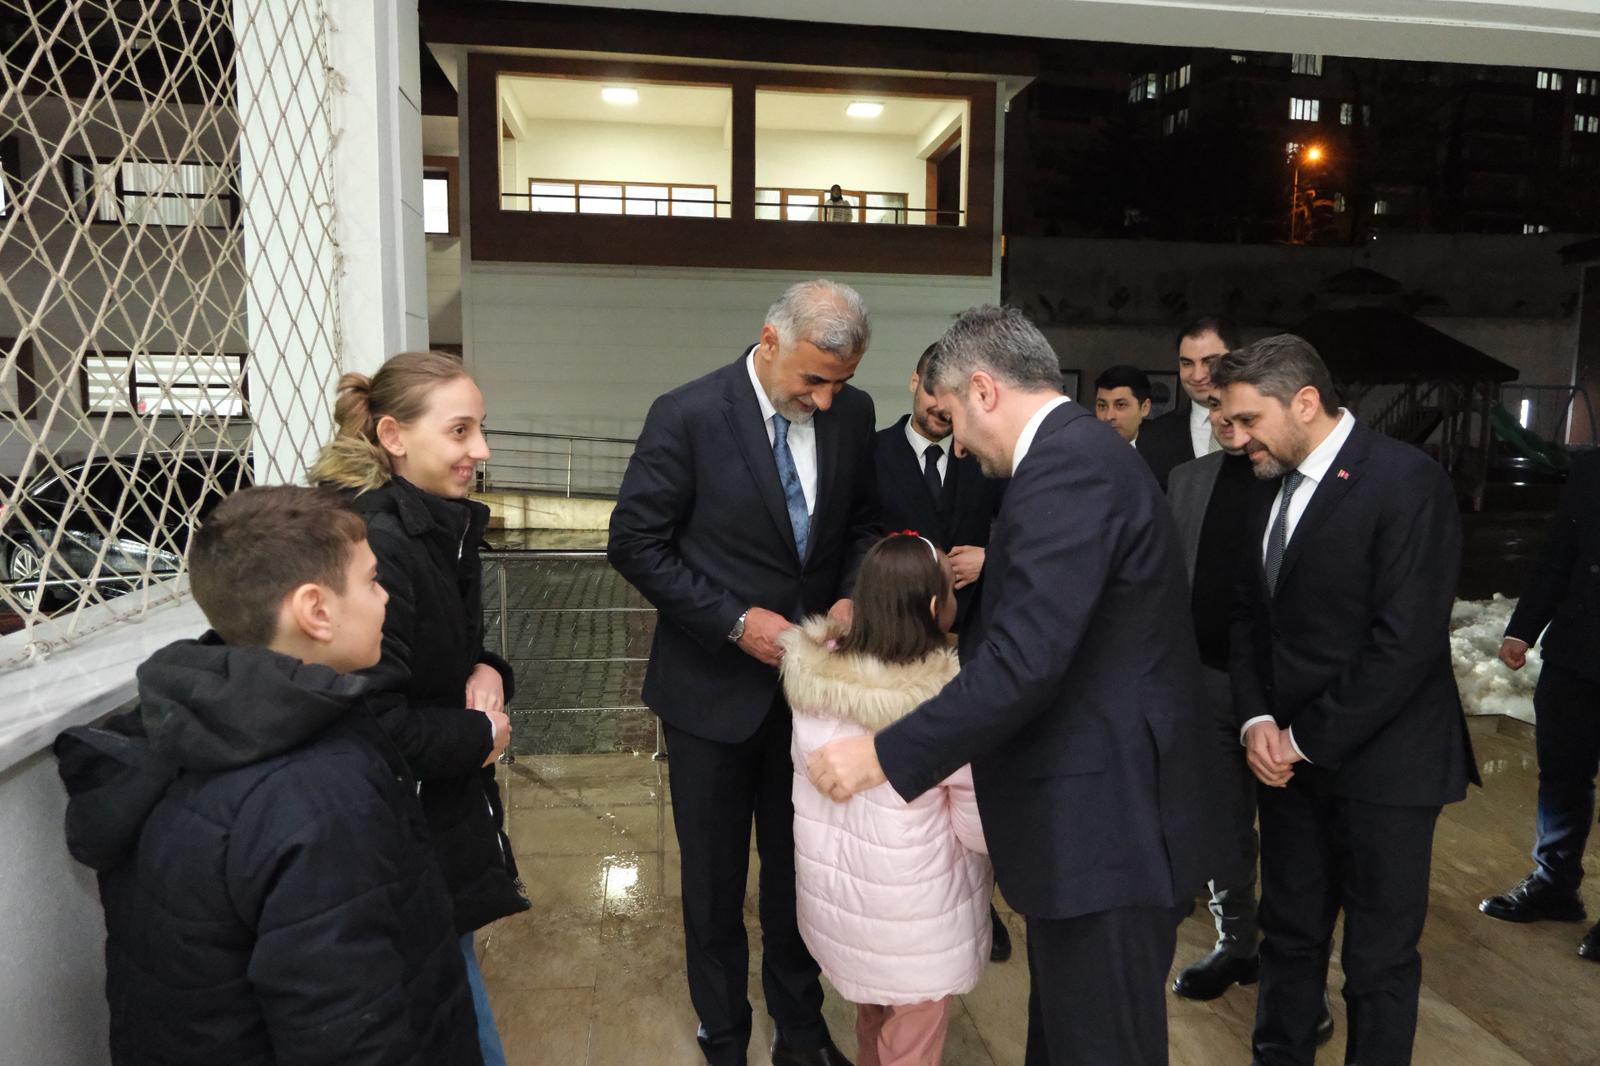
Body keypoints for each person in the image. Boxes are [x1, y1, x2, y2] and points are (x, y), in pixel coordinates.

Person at [807, 305, 1226, 1066]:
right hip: (1092, 829)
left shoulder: (1067, 466)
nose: (961, 445)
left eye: (955, 418)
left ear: (983, 390)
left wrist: (882, 756)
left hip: (1110, 832)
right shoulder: (1077, 456)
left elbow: (1024, 659)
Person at [55, 486, 481, 1065]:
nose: (385, 597)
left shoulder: (190, 727)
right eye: (373, 581)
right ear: (316, 611)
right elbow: (349, 1033)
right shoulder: (320, 797)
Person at [608, 279, 878, 1066]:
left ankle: (800, 1030)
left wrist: (851, 593)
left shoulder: (854, 415)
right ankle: (723, 1031)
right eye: (813, 380)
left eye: (841, 384)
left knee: (802, 877)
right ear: (769, 341)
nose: (825, 401)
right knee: (714, 882)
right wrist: (732, 621)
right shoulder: (687, 414)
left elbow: (863, 523)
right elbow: (635, 542)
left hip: (811, 696)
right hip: (709, 696)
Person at [1214, 334, 1478, 1066]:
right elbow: (1247, 618)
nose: (1237, 437)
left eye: (1248, 419)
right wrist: (1257, 721)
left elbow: (1404, 644)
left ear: (1305, 402)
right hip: (1285, 766)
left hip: (1386, 770)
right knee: (1288, 939)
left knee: (1377, 960)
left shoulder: (1407, 482)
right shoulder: (1265, 480)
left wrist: (1300, 740)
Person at [310, 351, 524, 1066]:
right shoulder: (380, 543)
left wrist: (488, 669)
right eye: (460, 431)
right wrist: (478, 734)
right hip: (396, 830)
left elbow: (443, 651)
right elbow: (370, 717)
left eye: (480, 429)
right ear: (393, 436)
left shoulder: (434, 526)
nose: (481, 451)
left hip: (427, 821)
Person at [782, 533, 993, 1066]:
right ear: (934, 606)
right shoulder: (948, 706)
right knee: (913, 1038)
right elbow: (976, 829)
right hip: (917, 923)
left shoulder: (815, 683)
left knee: (871, 1013)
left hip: (842, 910)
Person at [1164, 399, 1335, 1045]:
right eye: (1212, 404)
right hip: (1206, 682)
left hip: (1290, 694)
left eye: (1233, 402)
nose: (1224, 417)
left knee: (1301, 845)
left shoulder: (1302, 476)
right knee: (1222, 827)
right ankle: (1236, 943)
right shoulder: (1187, 480)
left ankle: (1303, 985)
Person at [873, 343, 1011, 962]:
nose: (938, 407)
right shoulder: (873, 453)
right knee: (914, 777)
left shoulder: (982, 454)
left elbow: (1019, 522)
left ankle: (981, 901)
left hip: (976, 633)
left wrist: (991, 558)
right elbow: (855, 531)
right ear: (914, 381)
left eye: (948, 398)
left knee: (972, 778)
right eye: (931, 392)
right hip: (898, 641)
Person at [1482, 450, 1600, 962]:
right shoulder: (1593, 470)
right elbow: (1560, 552)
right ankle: (1555, 884)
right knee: (1562, 773)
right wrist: (1523, 628)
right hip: (1577, 649)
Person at [1138, 315, 1239, 490]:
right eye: (1187, 363)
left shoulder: (1261, 429)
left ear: (1236, 359)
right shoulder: (1152, 438)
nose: (1197, 375)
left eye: (1210, 361)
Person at [1093, 364, 1154, 446]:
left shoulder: (1163, 450)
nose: (1108, 417)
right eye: (1102, 406)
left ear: (1145, 408)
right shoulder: (1083, 449)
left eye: (1120, 405)